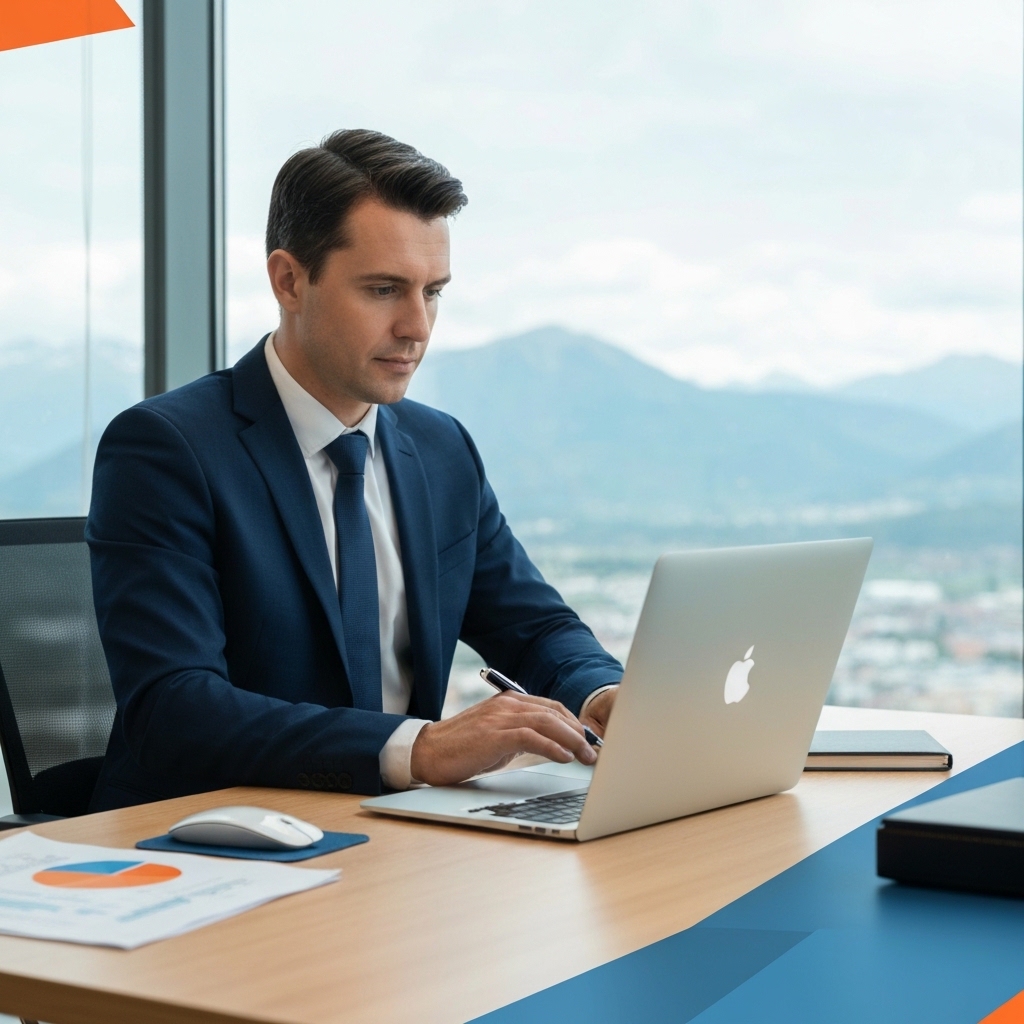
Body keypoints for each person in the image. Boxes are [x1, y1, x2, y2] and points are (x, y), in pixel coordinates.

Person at [87, 129, 621, 811]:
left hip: (399, 838)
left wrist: (604, 694)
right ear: (289, 280)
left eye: (433, 292)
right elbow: (174, 708)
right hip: (213, 838)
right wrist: (419, 749)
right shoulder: (167, 449)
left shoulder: (440, 449)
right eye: (383, 289)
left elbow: (536, 629)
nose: (417, 327)